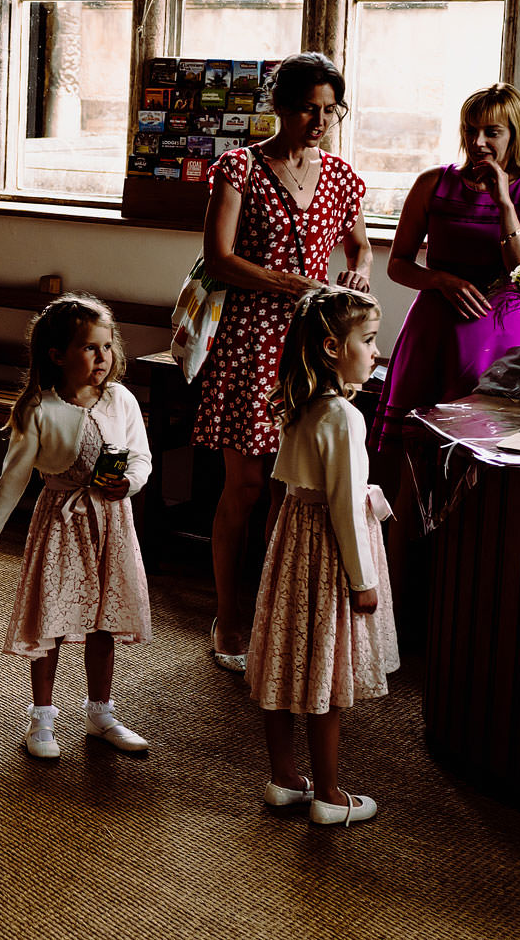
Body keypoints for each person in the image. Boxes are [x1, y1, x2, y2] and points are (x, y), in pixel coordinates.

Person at [194, 52, 373, 672]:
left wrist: (357, 271)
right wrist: (285, 284)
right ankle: (228, 619)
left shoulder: (344, 177)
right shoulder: (240, 167)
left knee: (292, 490)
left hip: (309, 349)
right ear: (279, 106)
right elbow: (217, 258)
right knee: (243, 487)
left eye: (331, 110)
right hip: (251, 342)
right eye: (308, 108)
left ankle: (276, 618)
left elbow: (360, 245)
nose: (320, 121)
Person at [0, 295, 154, 759]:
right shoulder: (39, 408)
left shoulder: (121, 400)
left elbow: (141, 457)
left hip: (111, 524)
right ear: (58, 355)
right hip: (62, 525)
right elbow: (15, 472)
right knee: (52, 619)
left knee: (104, 621)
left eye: (107, 347)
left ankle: (100, 712)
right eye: (90, 348)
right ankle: (41, 718)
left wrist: (129, 483)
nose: (102, 357)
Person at [249, 287, 399, 825]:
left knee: (287, 664)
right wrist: (362, 581)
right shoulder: (342, 417)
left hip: (293, 548)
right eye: (369, 339)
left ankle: (285, 778)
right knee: (325, 673)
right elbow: (342, 508)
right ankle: (330, 796)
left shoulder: (301, 404)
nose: (376, 350)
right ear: (333, 347)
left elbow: (283, 488)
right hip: (330, 556)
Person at [373, 84, 520, 451]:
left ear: (515, 134)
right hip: (431, 329)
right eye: (470, 130)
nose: (477, 142)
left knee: (481, 456)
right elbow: (397, 265)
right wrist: (440, 280)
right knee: (413, 453)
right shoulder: (433, 182)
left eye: (491, 132)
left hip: (496, 335)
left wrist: (505, 204)